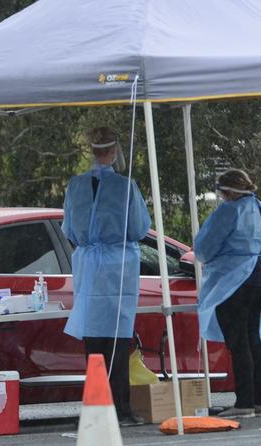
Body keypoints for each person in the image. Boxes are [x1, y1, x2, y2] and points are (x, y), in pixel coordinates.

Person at [62, 126, 151, 427]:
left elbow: (69, 230)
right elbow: (139, 228)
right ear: (114, 152)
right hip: (118, 267)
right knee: (117, 341)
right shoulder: (126, 187)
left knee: (93, 345)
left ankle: (98, 408)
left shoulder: (75, 186)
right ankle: (122, 409)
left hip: (89, 265)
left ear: (91, 151)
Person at [194, 168, 261, 419]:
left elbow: (204, 247)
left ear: (228, 191)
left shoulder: (229, 210)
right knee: (253, 336)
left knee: (238, 340)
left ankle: (244, 402)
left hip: (236, 276)